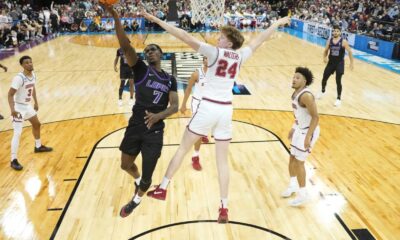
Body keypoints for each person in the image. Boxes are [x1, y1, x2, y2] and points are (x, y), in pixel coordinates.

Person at [143, 10, 290, 223]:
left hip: (208, 107)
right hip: (226, 110)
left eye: (222, 37)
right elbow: (260, 39)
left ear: (229, 43)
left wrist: (156, 20)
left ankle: (163, 188)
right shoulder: (240, 56)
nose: (217, 38)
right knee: (222, 162)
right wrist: (277, 22)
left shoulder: (213, 53)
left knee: (183, 148)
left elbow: (183, 35)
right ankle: (224, 207)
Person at [102, 4, 179, 218]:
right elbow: (125, 45)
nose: (149, 52)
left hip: (155, 130)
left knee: (148, 175)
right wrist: (117, 17)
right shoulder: (141, 69)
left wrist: (158, 116)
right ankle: (137, 183)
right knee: (125, 164)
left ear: (161, 54)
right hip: (136, 124)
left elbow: (174, 106)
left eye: (153, 49)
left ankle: (136, 200)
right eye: (146, 50)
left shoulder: (169, 79)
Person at [281, 67, 320, 207]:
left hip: (309, 131)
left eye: (297, 77)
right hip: (299, 128)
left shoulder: (306, 96)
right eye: (293, 77)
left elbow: (315, 117)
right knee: (292, 157)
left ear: (304, 81)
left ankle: (303, 194)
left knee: (299, 162)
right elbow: (299, 115)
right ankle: (292, 186)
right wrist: (293, 127)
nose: (294, 79)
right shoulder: (295, 93)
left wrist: (308, 137)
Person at [7, 56, 53, 171]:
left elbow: (32, 88)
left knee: (37, 124)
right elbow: (10, 94)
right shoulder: (19, 78)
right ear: (22, 65)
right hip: (18, 107)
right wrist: (13, 110)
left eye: (31, 62)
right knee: (17, 133)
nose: (30, 64)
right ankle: (13, 160)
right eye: (27, 63)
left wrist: (36, 102)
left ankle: (38, 146)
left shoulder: (33, 75)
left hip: (26, 106)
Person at [180, 56, 209, 171]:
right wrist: (183, 104)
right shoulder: (197, 74)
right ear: (203, 60)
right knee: (198, 130)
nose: (208, 60)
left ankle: (201, 133)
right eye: (206, 58)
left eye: (210, 58)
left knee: (207, 124)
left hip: (210, 104)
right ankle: (195, 156)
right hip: (197, 103)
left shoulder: (216, 74)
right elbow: (188, 89)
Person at [317, 25, 354, 107]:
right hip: (331, 63)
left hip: (339, 63)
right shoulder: (329, 41)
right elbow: (325, 50)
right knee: (324, 78)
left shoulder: (343, 41)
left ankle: (338, 98)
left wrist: (351, 63)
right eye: (334, 31)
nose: (335, 32)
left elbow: (350, 52)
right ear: (332, 32)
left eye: (337, 31)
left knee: (338, 81)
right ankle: (322, 91)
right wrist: (324, 57)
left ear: (340, 32)